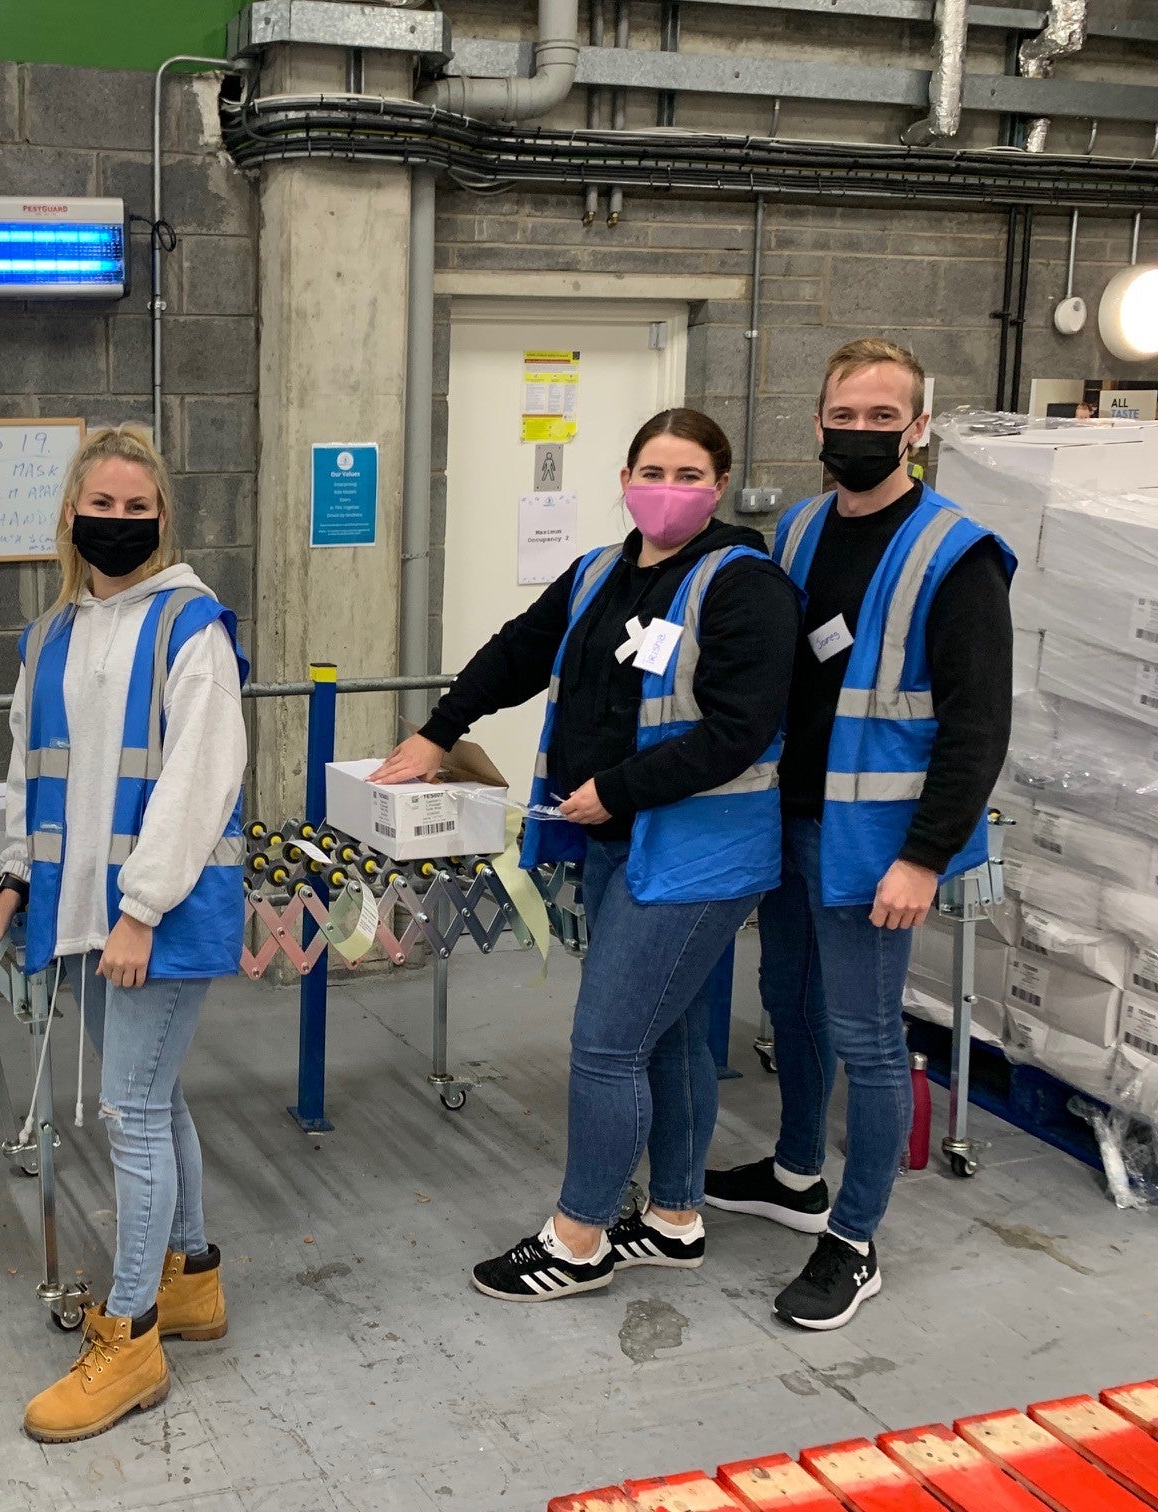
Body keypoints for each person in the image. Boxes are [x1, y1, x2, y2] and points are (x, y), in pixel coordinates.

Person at [373, 409, 801, 1303]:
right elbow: (517, 653)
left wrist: (618, 788)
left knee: (607, 1045)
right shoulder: (602, 571)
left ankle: (579, 1240)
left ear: (720, 486)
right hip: (620, 841)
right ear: (624, 478)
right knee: (673, 1031)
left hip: (697, 854)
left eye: (689, 475)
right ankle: (676, 1218)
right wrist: (436, 733)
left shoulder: (743, 583)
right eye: (652, 469)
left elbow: (738, 729)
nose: (667, 489)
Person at [704, 339, 1014, 1331]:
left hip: (880, 848)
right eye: (849, 413)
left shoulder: (955, 555)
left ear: (920, 427)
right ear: (819, 420)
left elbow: (978, 727)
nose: (865, 431)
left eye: (887, 417)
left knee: (869, 1040)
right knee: (787, 1008)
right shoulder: (795, 532)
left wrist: (924, 856)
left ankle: (856, 1236)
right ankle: (798, 1172)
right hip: (791, 824)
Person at [0, 425, 248, 1444]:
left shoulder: (190, 625)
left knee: (128, 1113)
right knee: (154, 1100)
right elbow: (29, 769)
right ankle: (193, 1276)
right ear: (71, 514)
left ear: (164, 518)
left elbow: (200, 780)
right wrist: (7, 891)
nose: (117, 523)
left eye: (137, 508)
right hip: (80, 915)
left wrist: (140, 909)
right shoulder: (52, 634)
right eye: (101, 506)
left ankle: (130, 1337)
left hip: (148, 919)